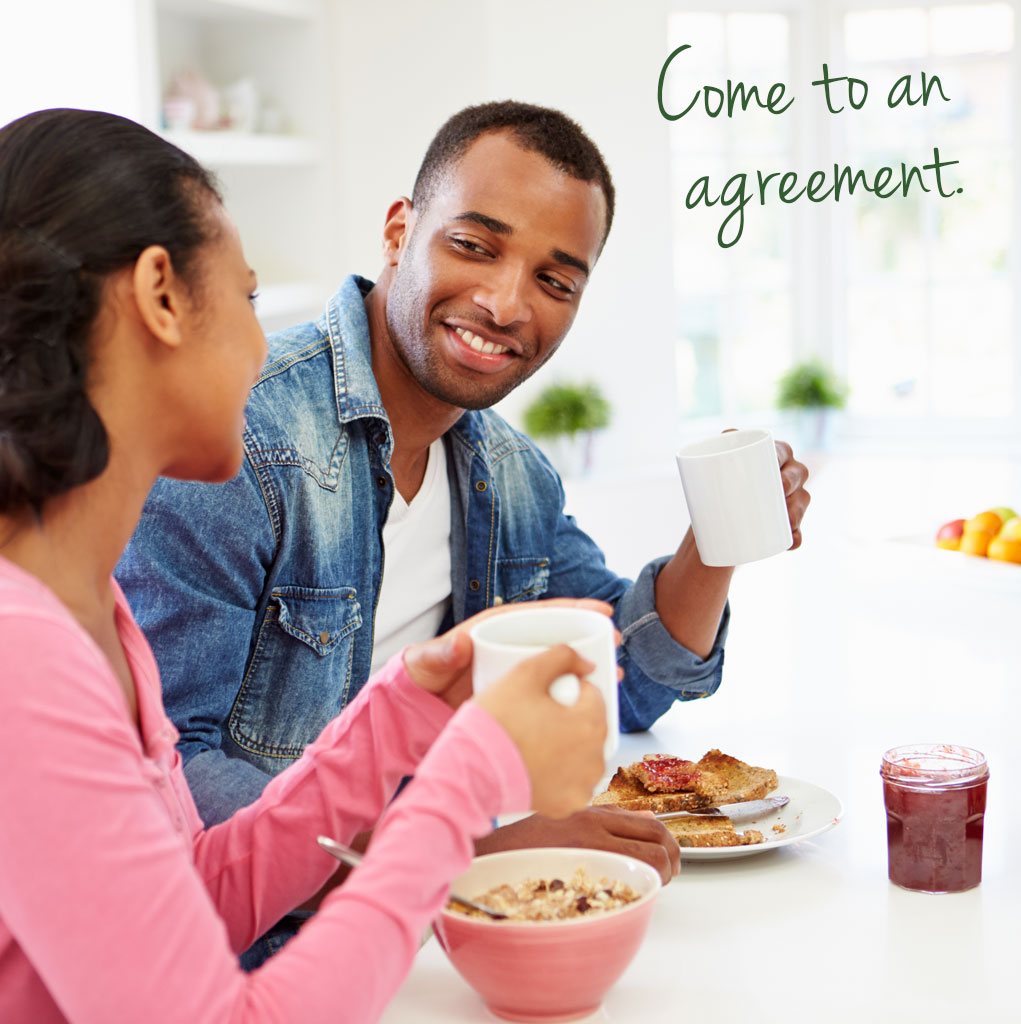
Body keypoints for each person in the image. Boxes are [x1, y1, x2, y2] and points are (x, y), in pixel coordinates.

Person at [117, 100, 809, 962]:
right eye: (475, 245)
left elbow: (621, 680)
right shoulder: (239, 441)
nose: (505, 301)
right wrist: (453, 861)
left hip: (429, 938)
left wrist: (717, 546)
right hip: (263, 949)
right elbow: (173, 776)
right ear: (401, 232)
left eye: (556, 281)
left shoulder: (512, 477)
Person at [0, 107, 616, 1024]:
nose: (264, 346)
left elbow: (192, 894)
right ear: (162, 295)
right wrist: (469, 781)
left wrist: (403, 712)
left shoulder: (91, 619)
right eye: (247, 301)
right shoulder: (25, 658)